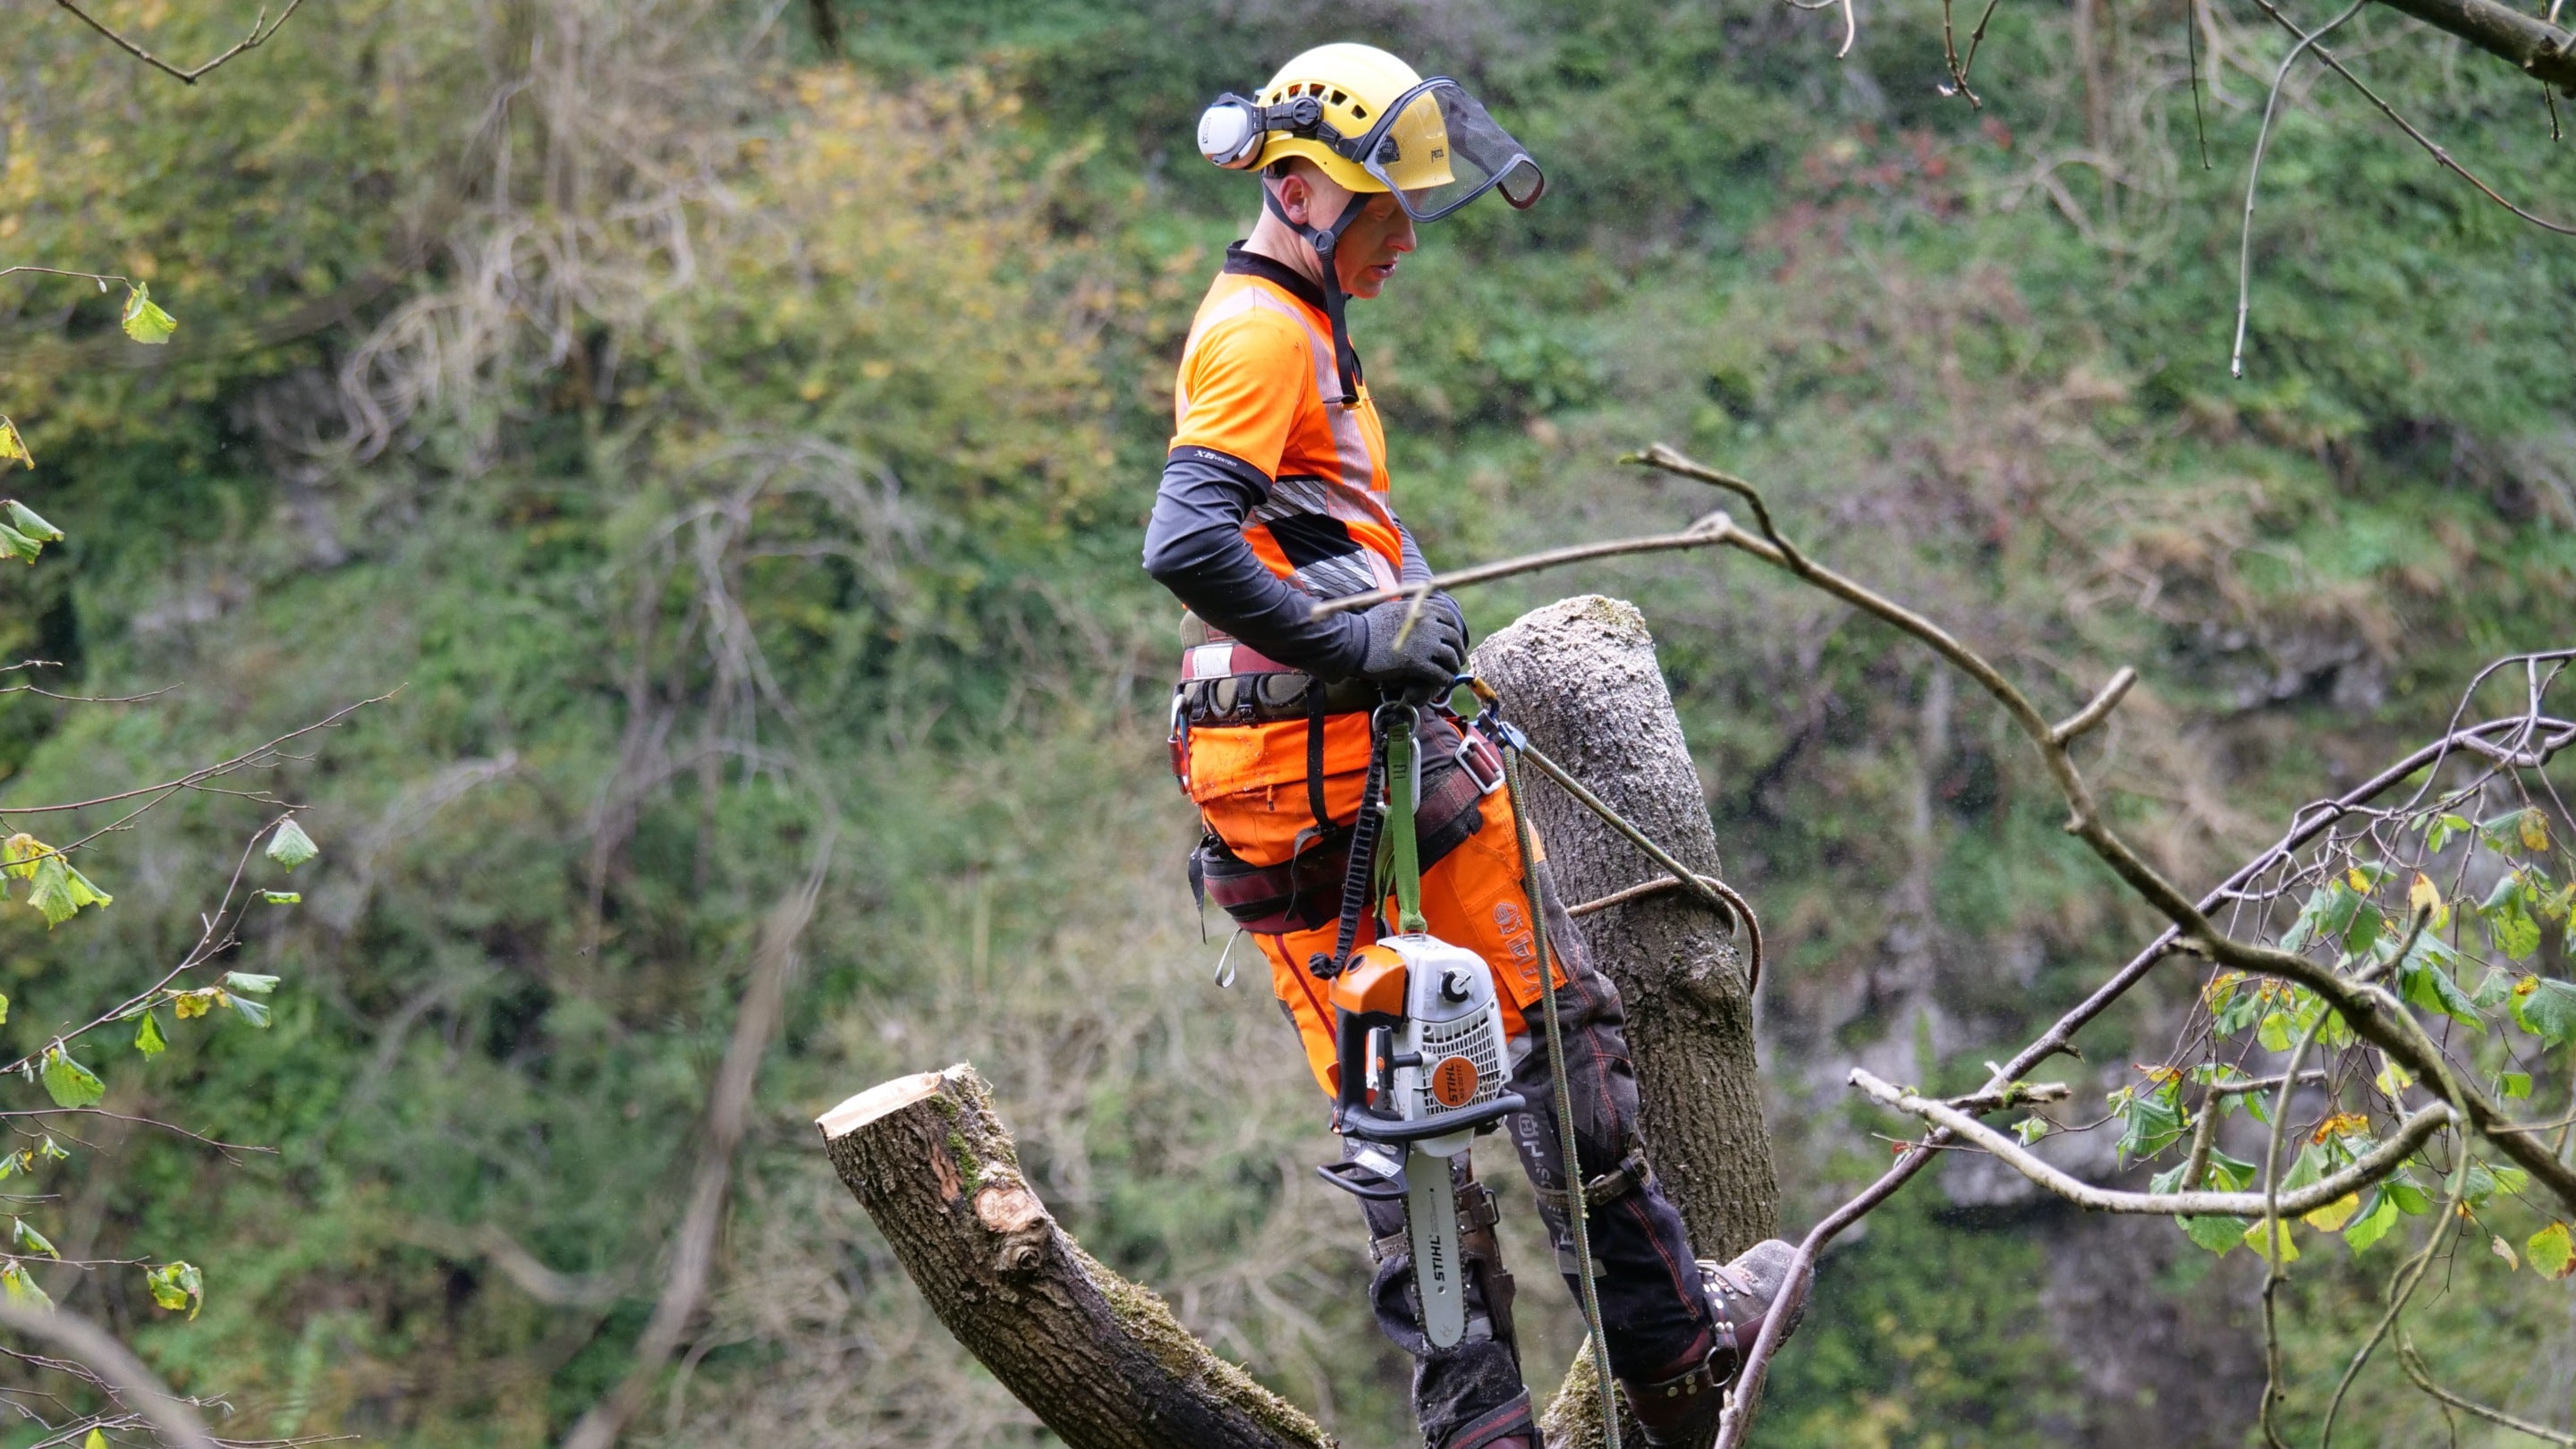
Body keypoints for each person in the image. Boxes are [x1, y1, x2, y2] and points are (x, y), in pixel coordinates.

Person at [1142, 43, 1797, 1449]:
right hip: (1352, 763)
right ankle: (1681, 1355)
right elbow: (1187, 538)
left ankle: (1480, 1430)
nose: (1402, 240)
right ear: (1307, 191)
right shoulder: (1264, 334)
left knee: (1400, 1118)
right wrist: (1367, 649)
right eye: (1386, 210)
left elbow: (1289, 537)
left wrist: (1382, 622)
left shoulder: (1293, 328)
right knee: (1558, 1045)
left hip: (1268, 784)